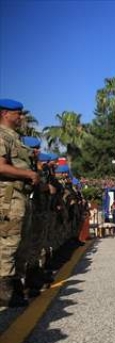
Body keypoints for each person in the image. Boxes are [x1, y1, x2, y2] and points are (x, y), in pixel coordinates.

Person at [0, 99, 40, 307]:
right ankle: (4, 293)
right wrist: (27, 173)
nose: (22, 117)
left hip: (20, 197)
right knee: (8, 244)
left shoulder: (15, 138)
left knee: (20, 244)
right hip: (8, 198)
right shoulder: (1, 135)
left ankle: (15, 288)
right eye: (18, 113)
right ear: (5, 113)